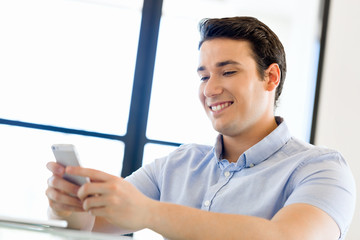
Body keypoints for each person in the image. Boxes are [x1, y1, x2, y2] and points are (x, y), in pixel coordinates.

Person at [46, 16, 356, 240]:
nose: (210, 90)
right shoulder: (178, 164)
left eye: (228, 72)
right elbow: (95, 223)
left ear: (271, 77)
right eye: (204, 76)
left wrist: (150, 213)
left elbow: (287, 237)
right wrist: (69, 205)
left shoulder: (322, 169)